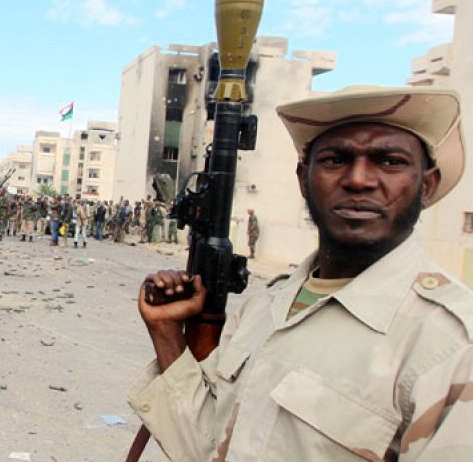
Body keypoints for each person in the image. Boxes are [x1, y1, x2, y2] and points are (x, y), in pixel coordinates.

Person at [128, 85, 473, 460]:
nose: (359, 179)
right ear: (302, 178)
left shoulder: (451, 345)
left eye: (389, 161)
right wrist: (165, 332)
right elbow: (205, 446)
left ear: (427, 185)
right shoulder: (267, 306)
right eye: (335, 160)